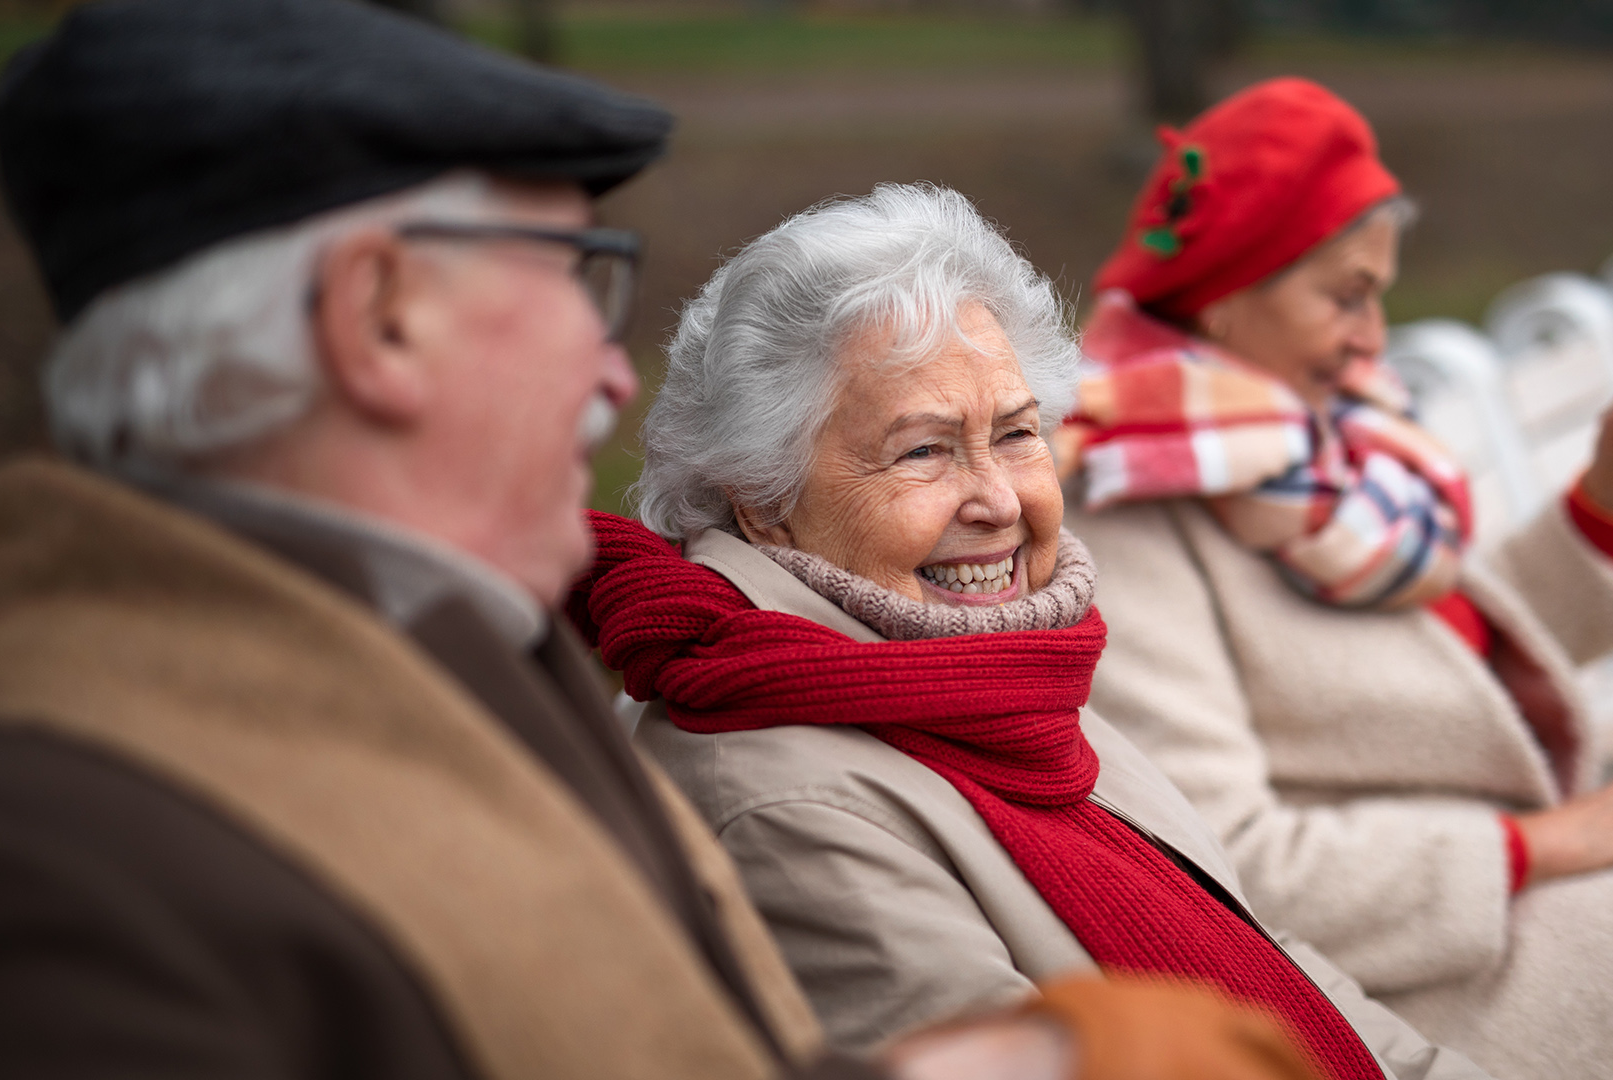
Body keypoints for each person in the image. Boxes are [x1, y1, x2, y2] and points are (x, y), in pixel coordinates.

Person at [0, 3, 1329, 1079]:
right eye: (575, 280)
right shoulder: (34, 848)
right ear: (380, 318)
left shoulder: (457, 641)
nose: (612, 381)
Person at [576, 181, 1495, 1080]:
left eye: (1016, 436)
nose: (999, 500)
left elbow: (1269, 965)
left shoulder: (1003, 678)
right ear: (762, 499)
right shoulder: (786, 800)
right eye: (924, 451)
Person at [1065, 76, 1613, 1080]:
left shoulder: (1313, 452)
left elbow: (1446, 673)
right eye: (1344, 296)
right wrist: (1532, 845)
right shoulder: (1132, 508)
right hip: (1446, 974)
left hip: (1524, 911)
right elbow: (1230, 867)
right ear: (1225, 296)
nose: (1372, 337)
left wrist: (1607, 498)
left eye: (1379, 294)